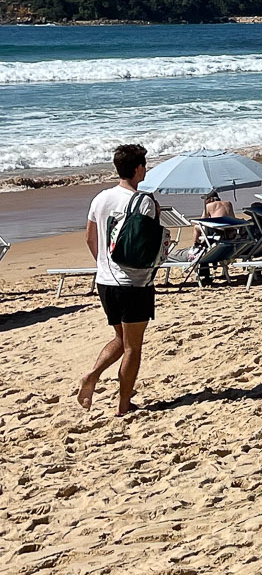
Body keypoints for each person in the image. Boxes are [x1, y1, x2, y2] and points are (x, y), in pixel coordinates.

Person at [78, 143, 163, 416]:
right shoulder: (144, 202)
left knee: (119, 336)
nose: (146, 169)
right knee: (132, 347)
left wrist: (103, 264)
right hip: (134, 283)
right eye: (145, 165)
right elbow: (149, 245)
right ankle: (124, 405)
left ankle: (92, 376)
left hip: (105, 282)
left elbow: (90, 238)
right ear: (138, 169)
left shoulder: (100, 198)